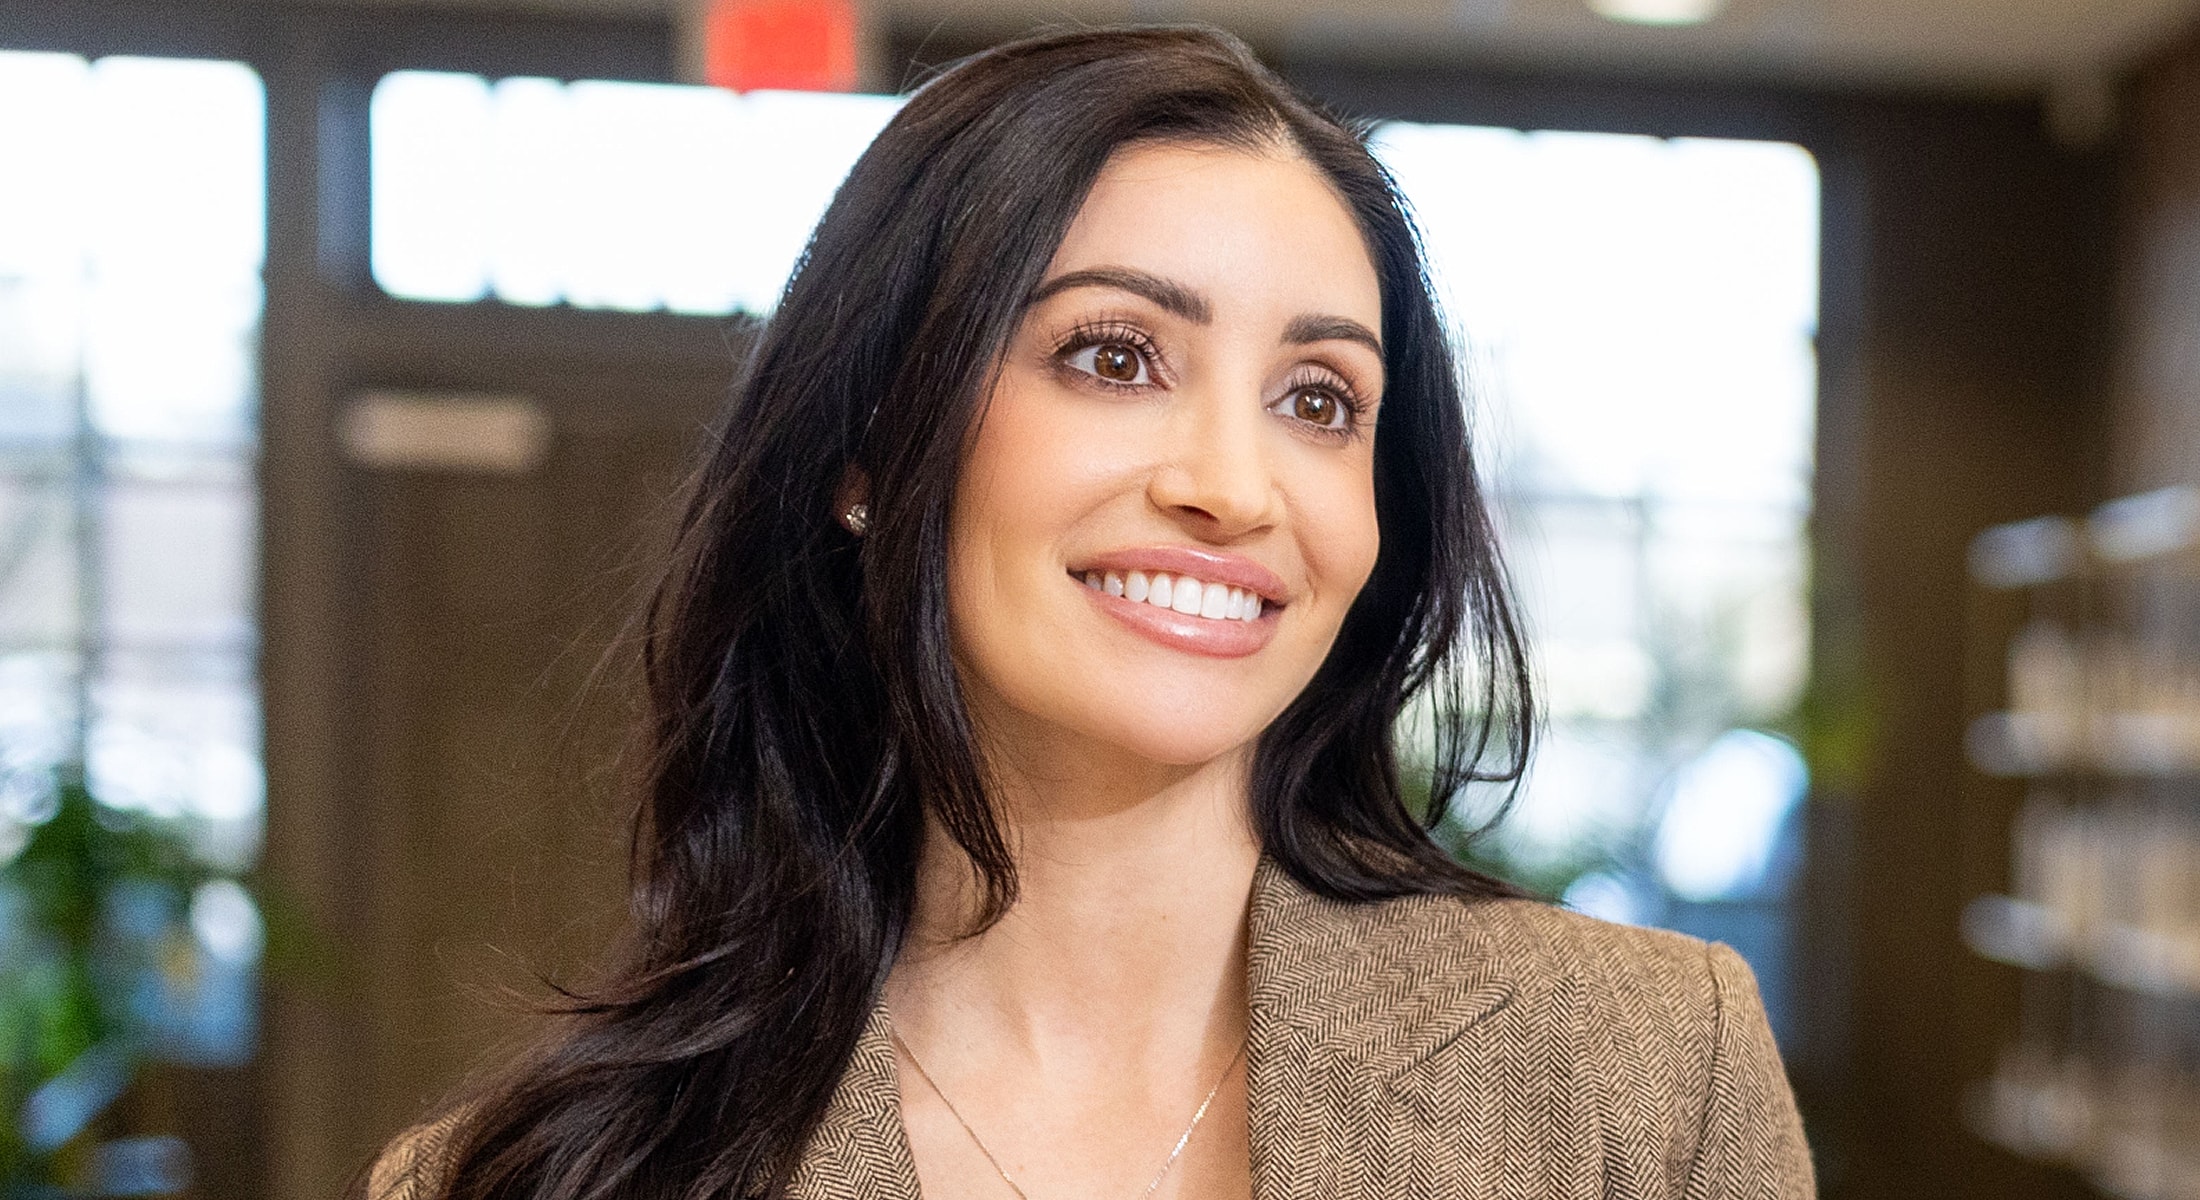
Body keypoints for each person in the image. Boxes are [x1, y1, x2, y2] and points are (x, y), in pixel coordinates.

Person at [367, 23, 1814, 1200]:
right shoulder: (531, 1180)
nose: (1231, 487)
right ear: (869, 443)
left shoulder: (1639, 1076)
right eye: (1116, 357)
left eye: (1320, 400)